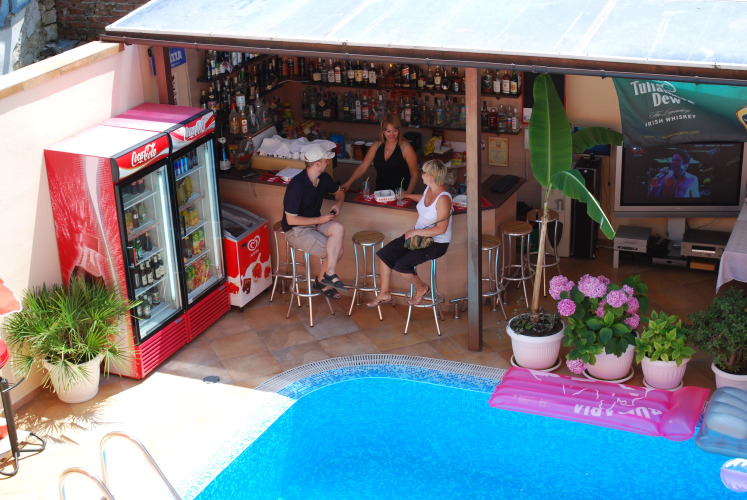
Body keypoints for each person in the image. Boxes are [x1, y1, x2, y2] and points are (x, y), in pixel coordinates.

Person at [365, 160, 452, 308]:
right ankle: (384, 293)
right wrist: (407, 195)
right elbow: (424, 200)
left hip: (436, 243)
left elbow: (441, 229)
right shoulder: (430, 188)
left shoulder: (443, 198)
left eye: (424, 172)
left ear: (432, 176)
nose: (422, 174)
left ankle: (422, 288)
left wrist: (415, 231)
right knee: (385, 255)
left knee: (402, 265)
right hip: (417, 237)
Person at [282, 145, 348, 299]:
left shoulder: (323, 178)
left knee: (338, 228)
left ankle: (328, 275)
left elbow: (339, 192)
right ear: (317, 164)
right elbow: (291, 219)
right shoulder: (297, 185)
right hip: (296, 229)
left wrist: (338, 205)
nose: (328, 162)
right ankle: (323, 281)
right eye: (325, 160)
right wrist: (320, 219)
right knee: (337, 251)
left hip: (314, 223)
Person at [340, 112, 419, 194]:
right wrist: (348, 183)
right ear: (383, 131)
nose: (392, 134)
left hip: (400, 194)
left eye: (395, 131)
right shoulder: (376, 145)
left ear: (399, 131)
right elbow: (363, 167)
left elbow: (414, 174)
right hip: (380, 194)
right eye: (388, 131)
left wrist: (408, 193)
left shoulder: (406, 148)